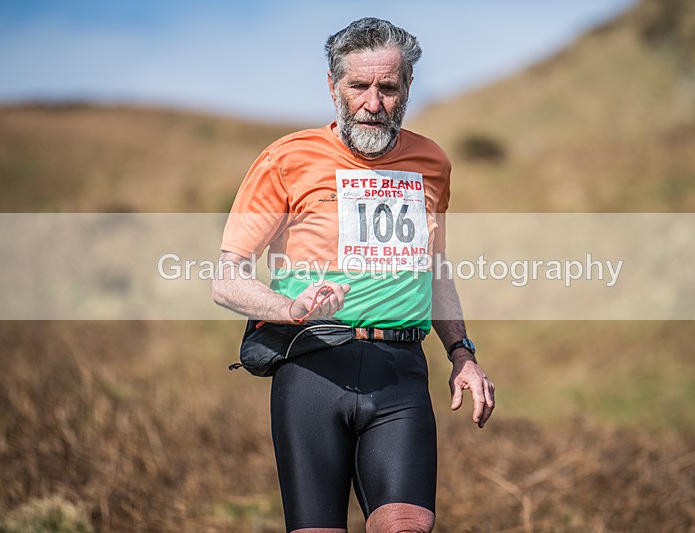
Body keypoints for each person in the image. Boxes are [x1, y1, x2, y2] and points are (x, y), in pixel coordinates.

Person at [212, 17, 494, 533]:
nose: (373, 103)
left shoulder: (432, 162)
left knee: (407, 526)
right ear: (332, 86)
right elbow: (226, 279)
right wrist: (288, 308)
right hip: (312, 369)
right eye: (358, 85)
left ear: (408, 86)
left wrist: (462, 353)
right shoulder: (286, 159)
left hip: (401, 374)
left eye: (388, 88)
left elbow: (435, 269)